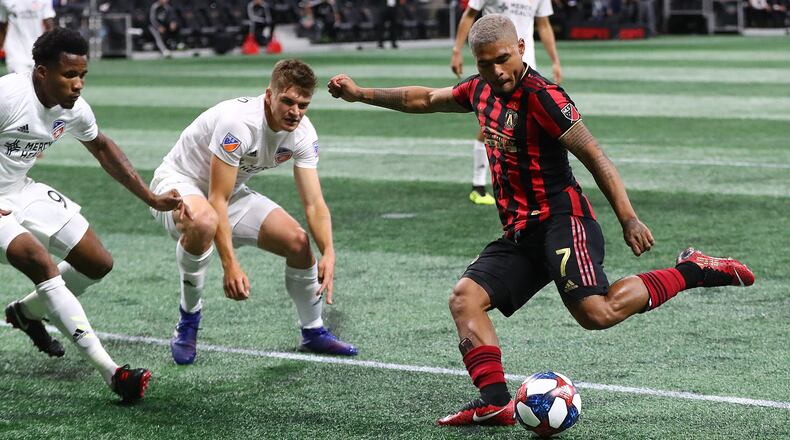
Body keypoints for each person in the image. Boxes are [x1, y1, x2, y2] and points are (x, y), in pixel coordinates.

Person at [328, 14, 754, 426]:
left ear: (520, 48)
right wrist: (360, 93)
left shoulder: (545, 97)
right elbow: (422, 98)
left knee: (597, 313)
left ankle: (692, 270)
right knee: (465, 298)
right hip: (520, 232)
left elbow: (595, 157)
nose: (495, 71)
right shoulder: (479, 91)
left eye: (502, 59)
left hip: (561, 220)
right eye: (485, 63)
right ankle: (495, 404)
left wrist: (629, 218)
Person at [1, 28, 187, 402]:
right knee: (40, 262)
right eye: (69, 75)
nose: (78, 84)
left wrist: (150, 197)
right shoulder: (8, 95)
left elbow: (102, 149)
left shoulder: (73, 109)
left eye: (83, 75)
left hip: (20, 189)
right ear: (42, 72)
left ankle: (25, 313)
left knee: (96, 262)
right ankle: (114, 373)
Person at [149, 58, 358, 366]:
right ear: (268, 95)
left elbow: (314, 203)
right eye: (287, 101)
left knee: (298, 243)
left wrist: (328, 251)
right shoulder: (240, 123)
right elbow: (216, 199)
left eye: (303, 105)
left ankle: (313, 332)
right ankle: (188, 319)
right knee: (204, 221)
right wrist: (230, 265)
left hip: (228, 192)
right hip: (178, 185)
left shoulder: (302, 133)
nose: (295, 112)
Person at [451, 0, 561, 206]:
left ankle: (525, 184)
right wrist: (457, 50)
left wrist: (555, 60)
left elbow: (543, 25)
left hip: (527, 68)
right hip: (497, 69)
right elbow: (469, 15)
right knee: (493, 122)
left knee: (526, 127)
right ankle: (478, 185)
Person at [0, 0, 55, 74]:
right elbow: (2, 26)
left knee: (36, 84)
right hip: (15, 54)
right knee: (19, 84)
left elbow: (49, 26)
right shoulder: (5, 1)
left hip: (38, 52)